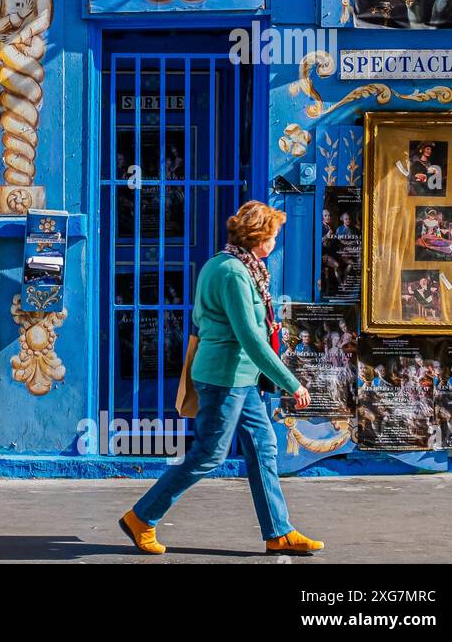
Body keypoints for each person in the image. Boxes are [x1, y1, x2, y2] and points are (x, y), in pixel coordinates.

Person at [120, 201, 324, 556]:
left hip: (240, 378)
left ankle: (279, 531)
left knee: (263, 446)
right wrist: (292, 382)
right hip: (224, 378)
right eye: (273, 235)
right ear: (258, 237)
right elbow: (250, 336)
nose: (276, 242)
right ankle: (142, 517)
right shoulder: (232, 273)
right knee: (209, 454)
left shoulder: (235, 266)